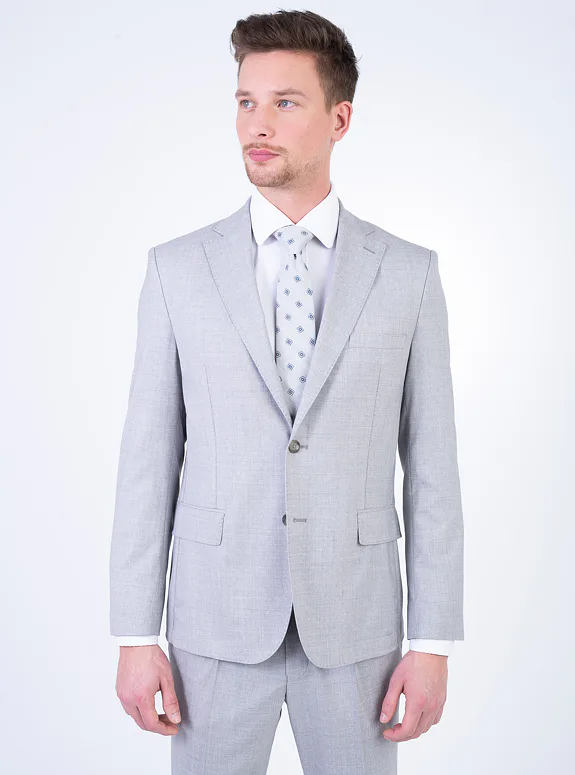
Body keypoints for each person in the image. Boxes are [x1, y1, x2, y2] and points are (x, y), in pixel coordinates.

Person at [109, 9, 464, 774]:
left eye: (284, 102)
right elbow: (146, 461)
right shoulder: (177, 269)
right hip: (214, 622)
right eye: (245, 101)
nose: (256, 124)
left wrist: (431, 641)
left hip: (358, 627)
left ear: (340, 119)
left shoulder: (408, 274)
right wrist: (135, 634)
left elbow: (432, 471)